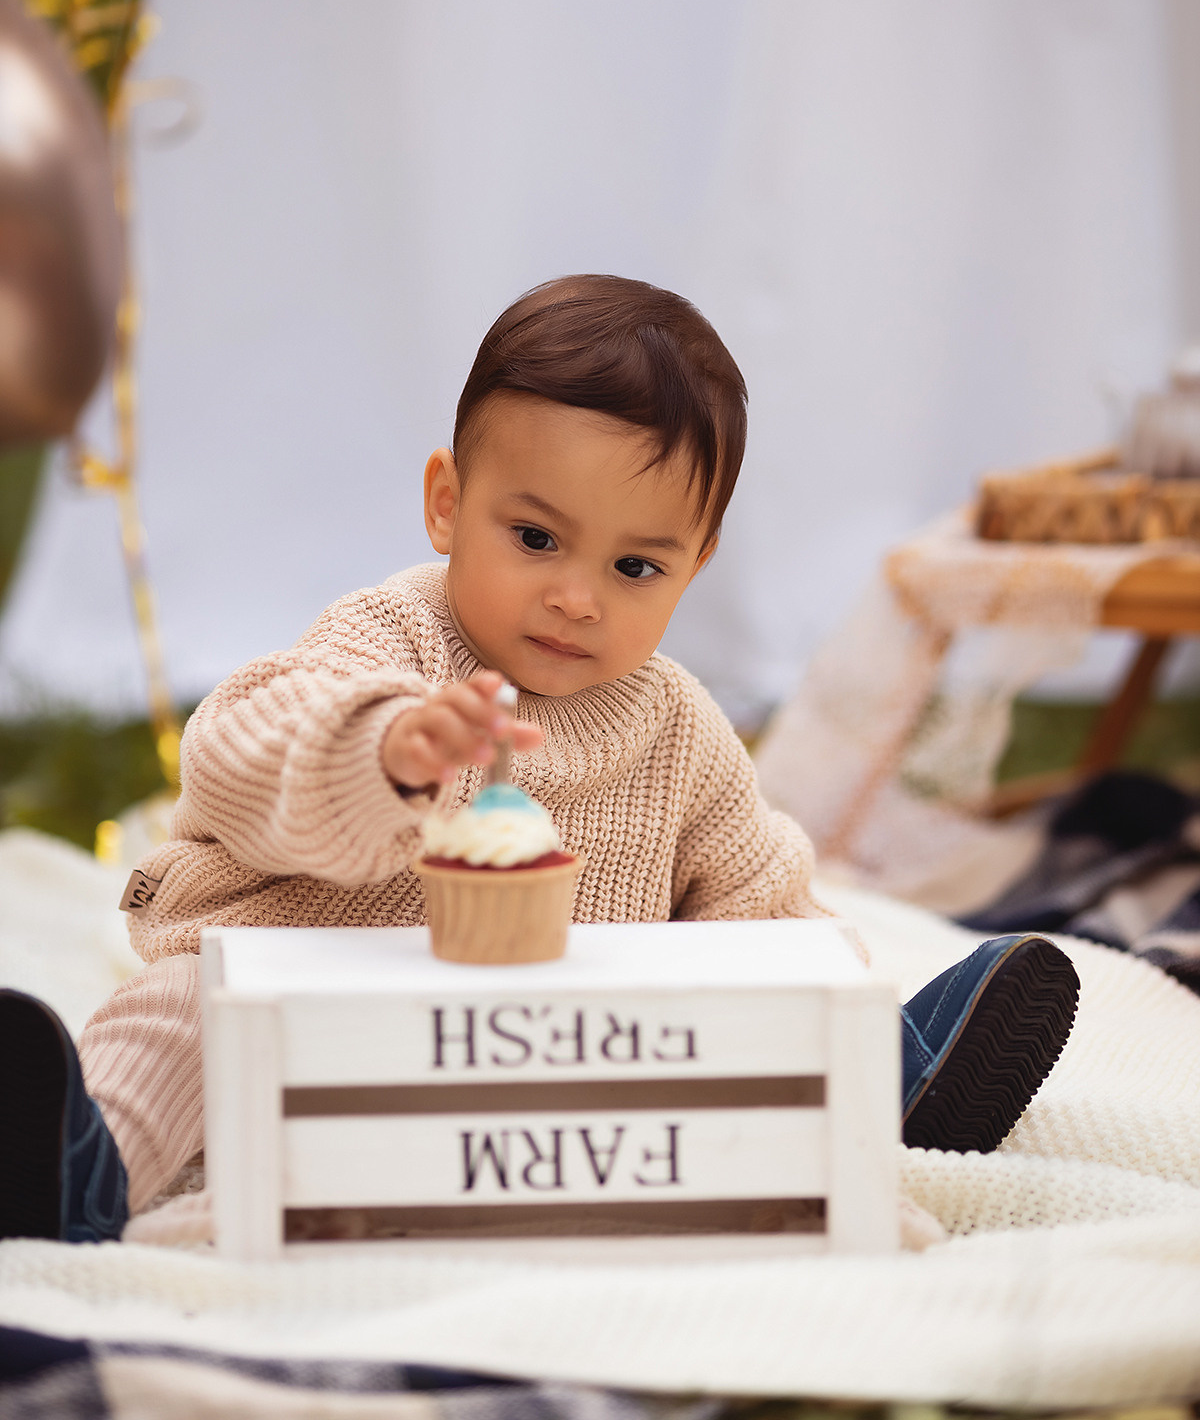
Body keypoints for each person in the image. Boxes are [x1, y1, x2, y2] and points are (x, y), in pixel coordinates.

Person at [0, 275, 1079, 1244]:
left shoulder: (676, 726)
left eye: (636, 564)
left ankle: (892, 1071)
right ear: (447, 503)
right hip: (307, 986)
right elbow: (238, 757)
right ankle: (78, 1170)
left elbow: (754, 900)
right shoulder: (388, 644)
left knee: (759, 1000)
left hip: (545, 1047)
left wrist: (814, 985)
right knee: (179, 1020)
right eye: (535, 539)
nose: (577, 595)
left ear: (694, 567)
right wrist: (385, 748)